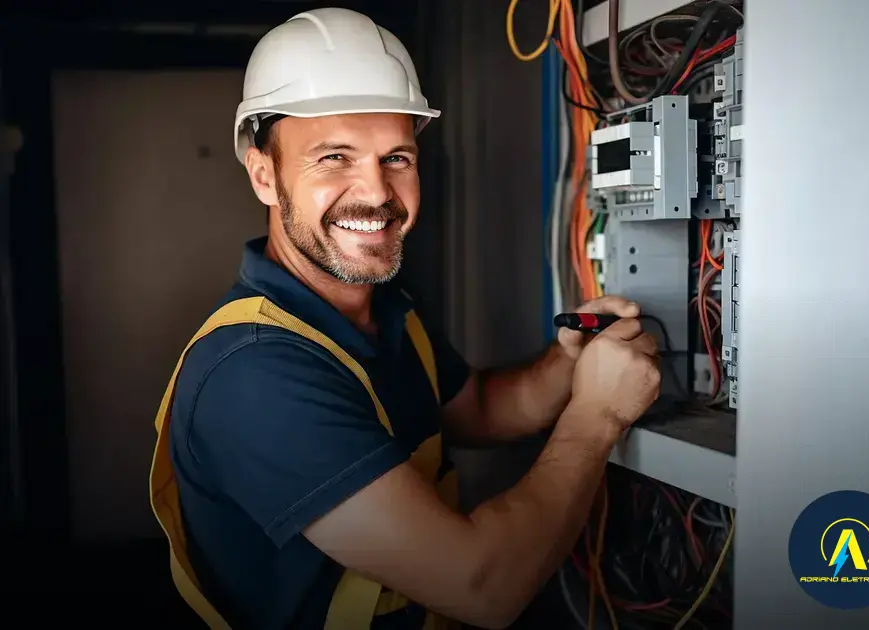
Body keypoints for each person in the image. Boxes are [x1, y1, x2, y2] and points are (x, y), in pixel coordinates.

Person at [149, 7, 661, 630]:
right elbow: (483, 585)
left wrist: (569, 362)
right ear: (264, 175)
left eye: (396, 157)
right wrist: (598, 415)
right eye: (334, 157)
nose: (377, 193)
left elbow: (478, 411)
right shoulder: (255, 372)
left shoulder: (386, 308)